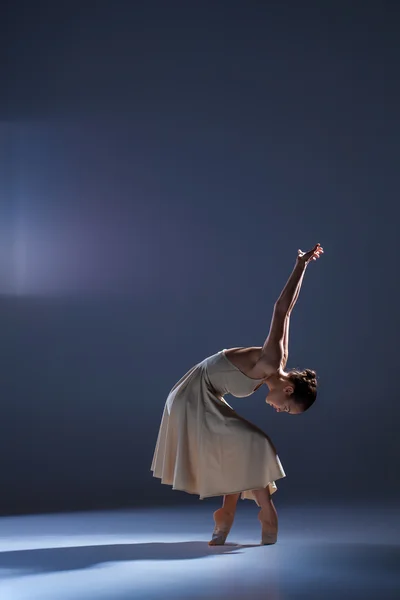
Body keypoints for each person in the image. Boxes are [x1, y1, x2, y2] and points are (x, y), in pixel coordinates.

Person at [151, 243, 324, 546]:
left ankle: (226, 515)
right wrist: (302, 265)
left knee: (242, 449)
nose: (280, 411)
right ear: (287, 390)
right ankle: (263, 512)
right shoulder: (272, 360)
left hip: (205, 398)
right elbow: (283, 309)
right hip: (191, 397)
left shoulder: (273, 368)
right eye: (287, 408)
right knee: (254, 442)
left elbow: (289, 310)